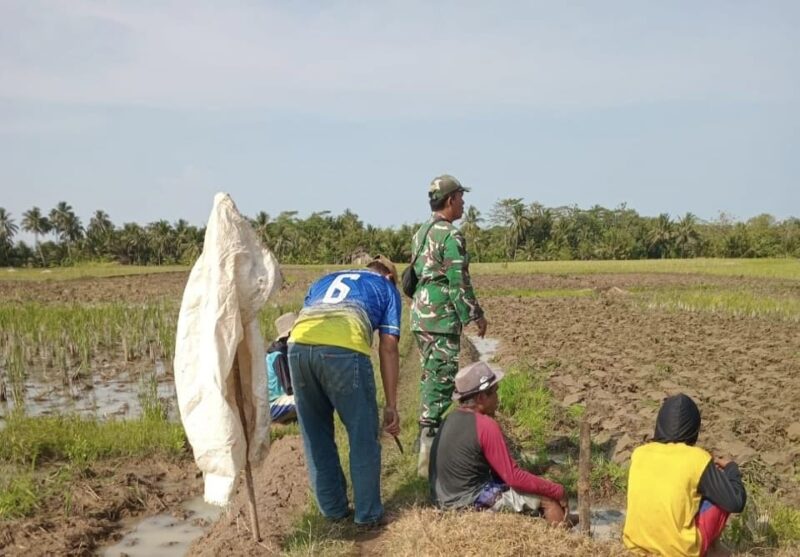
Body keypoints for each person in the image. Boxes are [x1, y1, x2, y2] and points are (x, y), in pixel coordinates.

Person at [287, 255, 401, 527]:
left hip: (298, 349)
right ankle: (368, 516)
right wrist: (391, 405)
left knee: (316, 435)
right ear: (388, 276)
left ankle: (333, 511)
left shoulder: (323, 280)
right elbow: (388, 346)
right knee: (362, 436)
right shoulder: (387, 289)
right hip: (344, 352)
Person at [410, 174, 488, 473]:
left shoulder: (421, 232)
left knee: (431, 378)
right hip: (440, 318)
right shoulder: (450, 235)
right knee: (442, 385)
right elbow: (458, 282)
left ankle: (425, 455)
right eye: (461, 197)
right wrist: (475, 315)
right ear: (450, 200)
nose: (464, 202)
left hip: (421, 315)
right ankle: (430, 463)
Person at [429, 361, 569, 525]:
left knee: (527, 491)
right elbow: (513, 477)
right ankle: (565, 544)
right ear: (481, 397)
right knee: (547, 499)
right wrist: (557, 490)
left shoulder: (449, 419)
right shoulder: (485, 425)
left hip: (442, 500)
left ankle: (566, 522)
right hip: (467, 503)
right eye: (495, 392)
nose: (498, 398)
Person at [623, 393, 747, 557]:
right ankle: (714, 550)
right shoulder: (697, 458)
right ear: (694, 428)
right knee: (721, 496)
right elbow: (736, 502)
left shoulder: (640, 454)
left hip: (636, 544)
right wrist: (731, 468)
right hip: (679, 550)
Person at [265, 312, 297, 423]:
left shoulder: (282, 351)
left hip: (279, 402)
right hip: (273, 405)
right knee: (305, 399)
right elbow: (289, 388)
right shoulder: (278, 356)